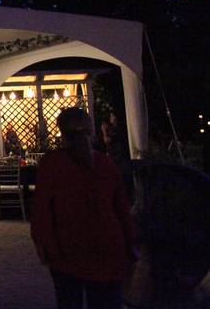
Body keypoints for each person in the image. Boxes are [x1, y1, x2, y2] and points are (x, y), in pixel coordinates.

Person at [31, 107, 135, 309]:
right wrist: (129, 243)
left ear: (62, 133)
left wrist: (45, 246)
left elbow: (41, 211)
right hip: (108, 249)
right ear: (92, 131)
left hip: (67, 251)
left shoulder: (52, 164)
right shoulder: (106, 164)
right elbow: (121, 209)